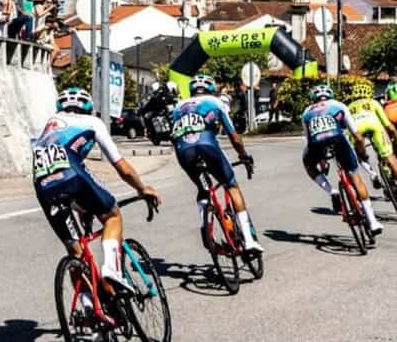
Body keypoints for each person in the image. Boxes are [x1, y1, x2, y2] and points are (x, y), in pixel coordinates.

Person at [31, 87, 163, 291]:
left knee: (76, 253)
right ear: (88, 107)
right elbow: (122, 167)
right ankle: (112, 269)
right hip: (72, 174)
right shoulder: (92, 122)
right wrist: (142, 188)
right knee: (112, 216)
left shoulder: (50, 124)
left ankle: (87, 307)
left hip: (43, 185)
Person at [169, 75, 260, 253]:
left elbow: (174, 137)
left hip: (184, 152)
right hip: (207, 145)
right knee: (231, 185)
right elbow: (234, 137)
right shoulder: (215, 102)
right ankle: (249, 241)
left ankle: (206, 228)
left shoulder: (178, 107)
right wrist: (244, 156)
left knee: (203, 189)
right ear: (211, 89)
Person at [300, 83, 383, 236]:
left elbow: (309, 140)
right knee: (355, 177)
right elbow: (357, 136)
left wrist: (322, 160)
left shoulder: (306, 112)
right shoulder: (338, 105)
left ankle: (331, 190)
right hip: (338, 139)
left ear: (314, 98)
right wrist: (362, 153)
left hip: (316, 144)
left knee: (308, 164)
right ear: (330, 95)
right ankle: (372, 221)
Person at [346, 82, 397, 206]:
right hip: (374, 127)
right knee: (390, 158)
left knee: (359, 155)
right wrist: (394, 138)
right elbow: (388, 125)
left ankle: (372, 174)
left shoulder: (349, 107)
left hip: (357, 130)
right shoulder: (374, 103)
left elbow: (345, 129)